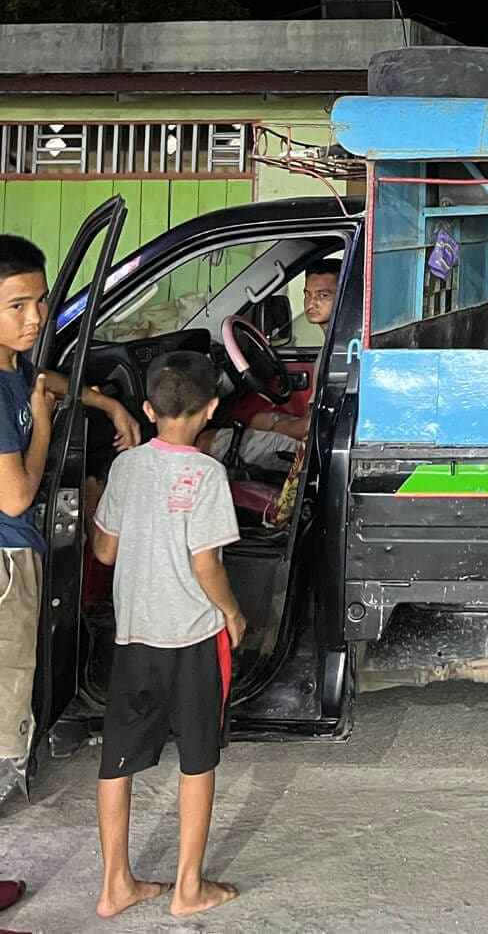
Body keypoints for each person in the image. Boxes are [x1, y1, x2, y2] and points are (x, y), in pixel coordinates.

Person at [92, 350, 242, 918]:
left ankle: (115, 886)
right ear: (210, 410)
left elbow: (104, 551)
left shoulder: (126, 468)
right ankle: (188, 888)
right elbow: (207, 565)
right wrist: (233, 611)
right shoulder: (208, 474)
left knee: (117, 762)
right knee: (197, 761)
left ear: (149, 408)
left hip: (135, 638)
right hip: (193, 639)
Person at [1, 235, 139, 808]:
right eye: (17, 306)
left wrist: (104, 402)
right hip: (7, 559)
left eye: (40, 303)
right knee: (8, 692)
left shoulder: (13, 363)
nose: (35, 319)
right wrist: (44, 426)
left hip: (16, 552)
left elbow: (45, 380)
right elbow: (14, 498)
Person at [206, 259, 339, 470]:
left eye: (323, 295)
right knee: (258, 419)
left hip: (314, 452)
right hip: (315, 436)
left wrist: (276, 428)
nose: (311, 303)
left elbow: (311, 427)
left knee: (206, 441)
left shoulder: (339, 352)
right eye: (307, 294)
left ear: (344, 297)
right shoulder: (333, 344)